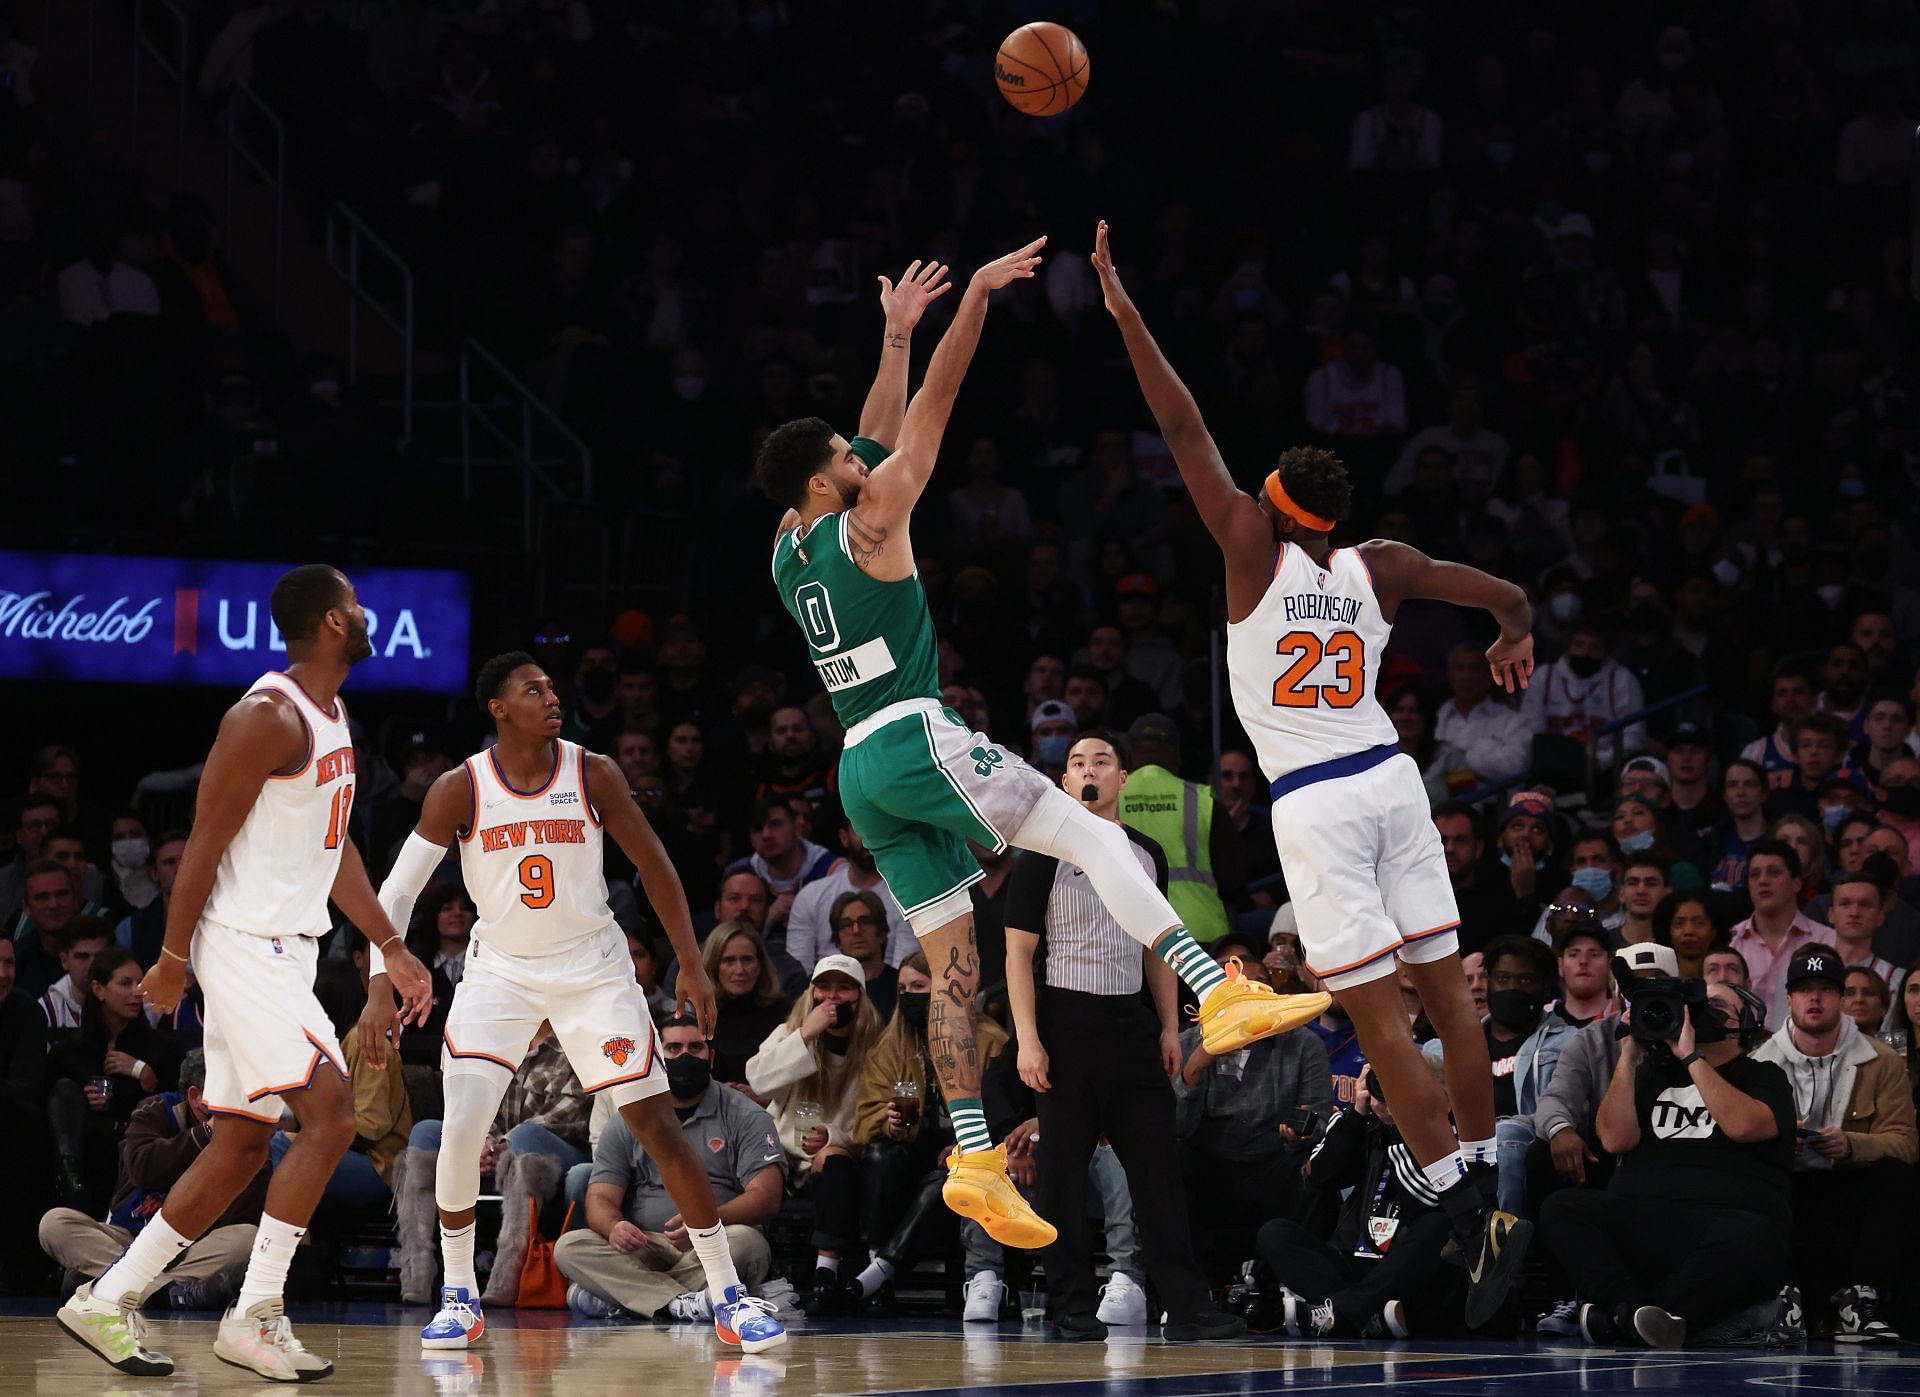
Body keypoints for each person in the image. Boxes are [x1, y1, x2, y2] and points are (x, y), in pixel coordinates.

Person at [757, 240, 1315, 1254]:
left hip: (861, 771)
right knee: (1096, 835)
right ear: (828, 483)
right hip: (917, 732)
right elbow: (929, 408)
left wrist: (893, 327)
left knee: (951, 963)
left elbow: (875, 427)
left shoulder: (791, 545)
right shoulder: (875, 519)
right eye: (845, 459)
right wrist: (968, 303)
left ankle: (971, 1152)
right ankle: (1215, 988)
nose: (861, 456)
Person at [1095, 218, 1538, 1326]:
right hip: (1394, 778)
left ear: (1276, 500)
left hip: (1317, 800)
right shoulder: (1383, 563)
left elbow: (1180, 423)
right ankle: (1491, 1179)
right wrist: (1512, 632)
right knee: (1451, 993)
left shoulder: (1249, 545)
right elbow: (1506, 596)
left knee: (1377, 1010)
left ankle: (1449, 1186)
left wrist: (1124, 310)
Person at [60, 564, 434, 1382]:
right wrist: (169, 957)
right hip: (244, 943)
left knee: (239, 1144)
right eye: (357, 604)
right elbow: (201, 842)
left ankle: (106, 1296)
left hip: (288, 949)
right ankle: (257, 1311)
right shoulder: (264, 716)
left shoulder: (335, 716)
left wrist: (390, 944)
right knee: (331, 1116)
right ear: (333, 622)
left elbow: (335, 853)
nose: (367, 613)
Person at [359, 650, 784, 1354]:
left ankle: (727, 1296)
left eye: (552, 688)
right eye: (534, 689)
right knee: (461, 1125)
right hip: (500, 969)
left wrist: (687, 958)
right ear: (499, 707)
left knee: (654, 1124)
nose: (551, 697)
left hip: (591, 966)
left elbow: (653, 864)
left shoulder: (592, 771)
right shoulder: (458, 788)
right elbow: (396, 896)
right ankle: (460, 1293)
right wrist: (380, 984)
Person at [1005, 729, 1242, 1342]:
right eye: (1078, 762)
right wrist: (1028, 1039)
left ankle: (1186, 1306)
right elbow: (1017, 955)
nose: (1090, 769)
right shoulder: (1039, 858)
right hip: (1065, 1023)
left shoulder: (1146, 854)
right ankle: (1072, 1305)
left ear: (1122, 779)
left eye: (1102, 761)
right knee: (1062, 1171)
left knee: (1158, 1168)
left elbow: (1157, 947)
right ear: (1065, 781)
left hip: (1131, 1022)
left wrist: (1168, 1025)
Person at [1539, 979, 1793, 1347]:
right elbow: (1614, 1139)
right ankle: (1638, 1312)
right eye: (1699, 1004)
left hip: (1725, 1225)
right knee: (1561, 1207)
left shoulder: (1765, 1076)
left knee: (1758, 1237)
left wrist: (1692, 1058)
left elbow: (1743, 1125)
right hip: (1648, 1218)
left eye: (1718, 1006)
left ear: (1745, 1022)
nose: (1705, 1010)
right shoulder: (1650, 1075)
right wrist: (1628, 1056)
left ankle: (1630, 1317)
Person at [557, 1015, 785, 1326]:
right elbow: (599, 1198)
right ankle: (683, 1302)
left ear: (711, 1057)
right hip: (645, 1245)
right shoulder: (630, 1118)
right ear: (656, 1059)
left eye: (696, 1048)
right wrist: (614, 1228)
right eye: (674, 1049)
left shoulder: (746, 1115)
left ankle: (630, 1297)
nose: (685, 1056)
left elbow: (767, 1196)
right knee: (570, 1247)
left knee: (748, 1243)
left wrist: (706, 1221)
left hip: (717, 1238)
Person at [1752, 949, 1916, 1341]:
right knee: (1751, 1181)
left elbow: (1906, 1144)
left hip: (1848, 1181)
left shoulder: (1884, 1061)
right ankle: (1782, 1298)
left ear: (1841, 1000)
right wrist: (1778, 1148)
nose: (1814, 999)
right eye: (1804, 990)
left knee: (1896, 1175)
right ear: (1788, 1000)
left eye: (1825, 990)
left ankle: (1858, 1297)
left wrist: (1851, 1145)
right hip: (1788, 1185)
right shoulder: (1759, 1063)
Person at [39, 1048, 265, 1311]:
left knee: (248, 1237)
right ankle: (167, 1293)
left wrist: (241, 1149)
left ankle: (119, 1284)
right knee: (53, 1224)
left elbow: (247, 1208)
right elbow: (143, 1168)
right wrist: (205, 1134)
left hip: (191, 1248)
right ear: (196, 1096)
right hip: (128, 1238)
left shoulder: (243, 1133)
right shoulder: (154, 1111)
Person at [1255, 1068, 1459, 1339]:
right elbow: (1320, 1176)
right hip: (1356, 1263)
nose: (1388, 1097)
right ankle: (1365, 1314)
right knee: (1275, 1233)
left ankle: (1345, 1313)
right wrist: (1356, 1115)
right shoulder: (1363, 1126)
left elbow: (1428, 1198)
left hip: (1408, 1271)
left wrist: (1406, 1128)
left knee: (1439, 1226)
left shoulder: (1451, 1135)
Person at [743, 954, 882, 1315]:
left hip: (840, 1160)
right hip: (785, 1158)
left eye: (844, 989)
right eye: (825, 988)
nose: (833, 997)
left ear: (860, 996)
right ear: (812, 993)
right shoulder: (791, 1033)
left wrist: (833, 1136)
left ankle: (826, 1272)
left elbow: (873, 1118)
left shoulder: (877, 1045)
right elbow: (757, 1078)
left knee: (831, 1159)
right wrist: (806, 1033)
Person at [784, 806, 914, 976]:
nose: (870, 838)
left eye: (877, 829)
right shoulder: (811, 896)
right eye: (861, 829)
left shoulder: (908, 895)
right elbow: (798, 973)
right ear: (844, 838)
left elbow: (906, 969)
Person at [1728, 839, 1836, 1029]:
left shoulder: (1827, 941)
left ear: (1796, 883)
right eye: (1755, 874)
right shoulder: (1731, 941)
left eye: (1774, 872)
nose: (1762, 880)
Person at [699, 921, 792, 1086]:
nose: (740, 970)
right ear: (714, 966)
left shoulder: (784, 1014)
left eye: (747, 960)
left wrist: (766, 1098)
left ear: (760, 965)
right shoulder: (699, 1015)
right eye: (729, 961)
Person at [825, 890, 899, 1019]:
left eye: (865, 922)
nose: (856, 931)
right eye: (846, 925)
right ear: (838, 939)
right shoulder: (822, 988)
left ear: (881, 933)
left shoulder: (901, 986)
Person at [1843, 967, 1892, 1035]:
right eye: (1850, 993)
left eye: (1868, 993)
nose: (1859, 999)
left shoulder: (1895, 1045)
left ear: (1884, 1007)